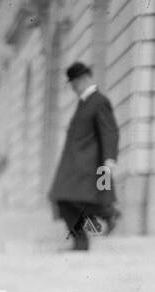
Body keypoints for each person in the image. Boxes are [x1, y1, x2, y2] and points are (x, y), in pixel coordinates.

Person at [48, 61, 120, 251]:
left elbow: (109, 131)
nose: (73, 88)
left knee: (72, 198)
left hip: (88, 165)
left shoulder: (99, 101)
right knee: (62, 200)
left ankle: (107, 213)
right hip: (74, 164)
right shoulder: (84, 103)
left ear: (84, 79)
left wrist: (109, 159)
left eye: (74, 84)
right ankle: (83, 239)